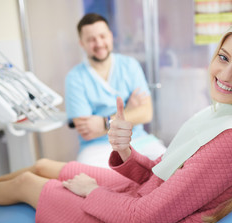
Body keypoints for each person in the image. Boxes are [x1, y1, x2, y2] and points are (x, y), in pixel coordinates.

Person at [0, 14, 232, 223]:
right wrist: (125, 151)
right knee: (44, 164)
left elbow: (142, 221)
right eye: (223, 57)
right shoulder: (229, 115)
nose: (225, 75)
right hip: (144, 197)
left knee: (28, 181)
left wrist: (92, 191)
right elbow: (164, 173)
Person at [65, 13, 166, 168]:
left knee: (168, 168)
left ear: (110, 37)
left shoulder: (129, 65)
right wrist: (130, 111)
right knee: (98, 182)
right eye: (91, 39)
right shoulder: (75, 77)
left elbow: (146, 113)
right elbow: (88, 130)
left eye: (102, 36)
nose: (98, 43)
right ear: (82, 44)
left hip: (138, 140)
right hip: (97, 148)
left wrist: (104, 123)